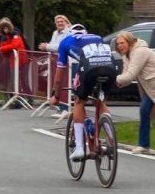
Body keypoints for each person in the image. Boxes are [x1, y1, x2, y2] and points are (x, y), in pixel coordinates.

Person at [48, 24, 117, 162]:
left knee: (79, 101)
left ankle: (79, 148)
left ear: (70, 33)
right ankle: (111, 140)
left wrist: (56, 95)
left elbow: (59, 74)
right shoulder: (97, 37)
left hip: (89, 69)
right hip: (110, 69)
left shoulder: (65, 42)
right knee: (100, 101)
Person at [0, 18, 31, 100]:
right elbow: (4, 47)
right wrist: (2, 49)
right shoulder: (4, 37)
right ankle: (15, 99)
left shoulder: (15, 34)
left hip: (22, 60)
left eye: (6, 28)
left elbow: (14, 45)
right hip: (12, 61)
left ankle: (29, 98)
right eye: (3, 28)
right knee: (13, 80)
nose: (5, 30)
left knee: (24, 80)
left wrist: (1, 49)